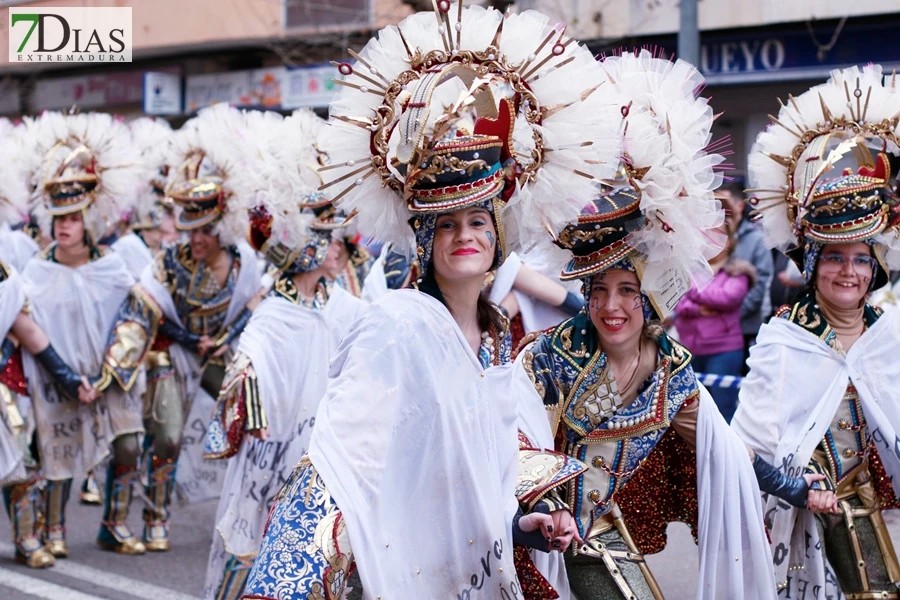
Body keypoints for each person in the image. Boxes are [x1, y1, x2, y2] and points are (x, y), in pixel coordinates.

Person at [242, 4, 620, 598]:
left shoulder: (497, 337)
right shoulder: (396, 327)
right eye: (446, 225)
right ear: (425, 239)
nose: (464, 235)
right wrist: (284, 580)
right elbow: (341, 466)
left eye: (477, 220)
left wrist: (529, 527)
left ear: (498, 233)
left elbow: (478, 491)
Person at [515, 49, 814, 600]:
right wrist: (543, 507)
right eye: (598, 290)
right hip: (538, 544)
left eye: (628, 291)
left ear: (650, 301)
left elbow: (724, 448)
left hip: (603, 536)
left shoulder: (670, 371)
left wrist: (794, 488)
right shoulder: (544, 357)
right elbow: (511, 444)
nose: (611, 307)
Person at [733, 63, 900, 598]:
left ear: (875, 267)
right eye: (833, 258)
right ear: (811, 264)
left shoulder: (888, 333)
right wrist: (797, 488)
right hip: (798, 523)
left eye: (859, 259)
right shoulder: (785, 337)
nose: (847, 273)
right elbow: (747, 450)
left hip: (870, 514)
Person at [201, 109, 367, 599]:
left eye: (329, 233)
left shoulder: (343, 305)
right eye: (318, 233)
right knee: (252, 533)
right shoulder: (274, 313)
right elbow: (245, 370)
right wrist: (248, 392)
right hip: (272, 448)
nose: (330, 243)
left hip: (320, 450)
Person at [92, 104, 261, 552]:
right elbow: (142, 307)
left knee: (257, 418)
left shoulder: (246, 265)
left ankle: (257, 513)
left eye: (204, 229)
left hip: (221, 355)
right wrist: (116, 365)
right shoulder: (169, 261)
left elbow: (262, 310)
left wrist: (232, 345)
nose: (195, 238)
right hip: (171, 352)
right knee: (165, 434)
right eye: (190, 229)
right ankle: (153, 515)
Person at [20, 111, 146, 557]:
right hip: (56, 380)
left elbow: (138, 319)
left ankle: (114, 523)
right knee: (59, 451)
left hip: (110, 378)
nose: (63, 225)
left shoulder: (115, 266)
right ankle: (53, 529)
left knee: (129, 442)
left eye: (73, 216)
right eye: (57, 216)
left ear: (91, 216)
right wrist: (68, 377)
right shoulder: (35, 271)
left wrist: (110, 372)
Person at [674, 220, 755, 422]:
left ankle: (728, 454)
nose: (712, 238)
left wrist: (690, 289)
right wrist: (699, 307)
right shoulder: (689, 270)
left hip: (723, 351)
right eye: (708, 232)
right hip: (688, 349)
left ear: (730, 240)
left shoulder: (738, 271)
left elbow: (726, 298)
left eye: (719, 233)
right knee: (690, 412)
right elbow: (678, 304)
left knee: (722, 409)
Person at [719, 181, 774, 359]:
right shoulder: (713, 237)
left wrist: (733, 314)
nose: (722, 208)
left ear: (740, 205)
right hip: (712, 332)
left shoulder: (757, 239)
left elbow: (762, 283)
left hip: (746, 327)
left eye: (726, 203)